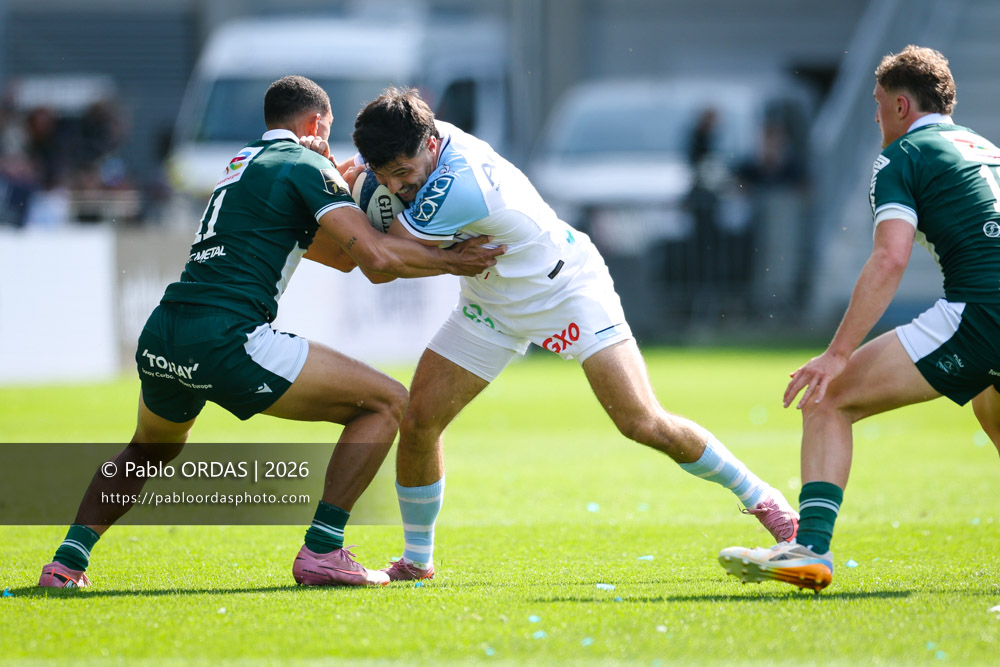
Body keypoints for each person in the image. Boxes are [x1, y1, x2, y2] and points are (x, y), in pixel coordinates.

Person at [37, 75, 503, 589]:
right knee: (388, 402)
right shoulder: (304, 165)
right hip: (227, 337)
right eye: (325, 133)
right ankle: (324, 550)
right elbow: (375, 258)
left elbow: (342, 259)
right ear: (313, 124)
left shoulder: (243, 164)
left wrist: (335, 184)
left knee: (148, 449)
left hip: (166, 331)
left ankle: (66, 562)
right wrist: (452, 260)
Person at [335, 87, 799, 582]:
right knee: (420, 420)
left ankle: (770, 505)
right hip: (493, 301)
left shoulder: (458, 185)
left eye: (404, 174)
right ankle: (417, 561)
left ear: (430, 144)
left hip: (566, 290)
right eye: (386, 176)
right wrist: (356, 176)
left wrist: (353, 201)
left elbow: (384, 265)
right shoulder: (409, 141)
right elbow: (368, 187)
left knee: (642, 421)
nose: (398, 186)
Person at [719, 45, 1000, 592]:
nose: (874, 117)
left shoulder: (903, 155)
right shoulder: (987, 149)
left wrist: (837, 353)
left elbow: (889, 256)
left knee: (829, 397)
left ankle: (810, 550)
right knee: (996, 416)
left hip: (984, 310)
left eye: (876, 105)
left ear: (900, 105)